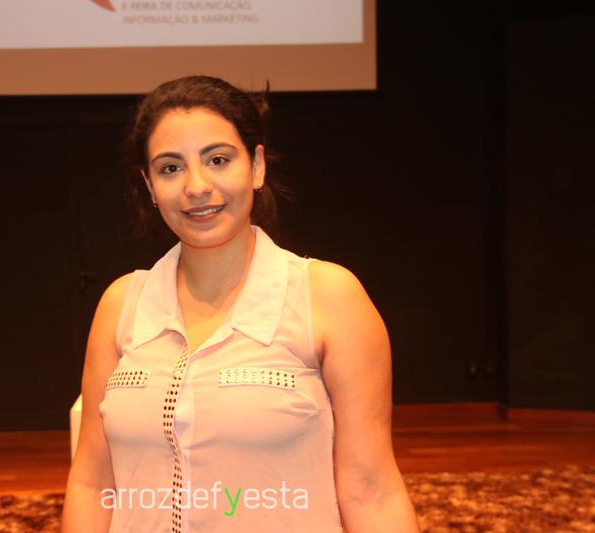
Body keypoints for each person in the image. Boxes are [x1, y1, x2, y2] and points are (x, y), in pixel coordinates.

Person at [62, 76, 419, 532]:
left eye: (217, 160)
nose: (196, 186)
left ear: (256, 166)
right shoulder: (121, 304)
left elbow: (372, 490)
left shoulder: (328, 297)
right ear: (149, 186)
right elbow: (93, 483)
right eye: (170, 168)